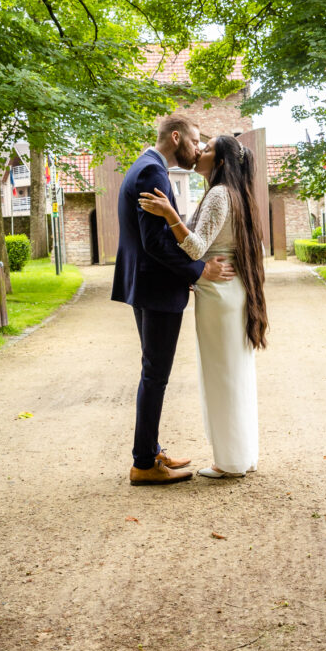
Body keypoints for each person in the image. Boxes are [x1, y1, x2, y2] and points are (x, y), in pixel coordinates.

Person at [111, 115, 236, 486]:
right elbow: (155, 242)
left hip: (146, 286)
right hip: (157, 289)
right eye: (196, 141)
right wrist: (198, 271)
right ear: (177, 137)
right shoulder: (153, 173)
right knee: (155, 375)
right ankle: (144, 463)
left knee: (153, 372)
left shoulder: (145, 166)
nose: (198, 149)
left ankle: (150, 450)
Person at [139, 134, 267, 477]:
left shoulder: (219, 194)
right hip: (229, 292)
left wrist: (169, 214)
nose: (200, 152)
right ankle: (242, 455)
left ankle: (230, 462)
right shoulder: (237, 195)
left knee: (222, 377)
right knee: (234, 374)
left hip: (219, 295)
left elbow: (195, 248)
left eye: (207, 149)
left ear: (221, 162)